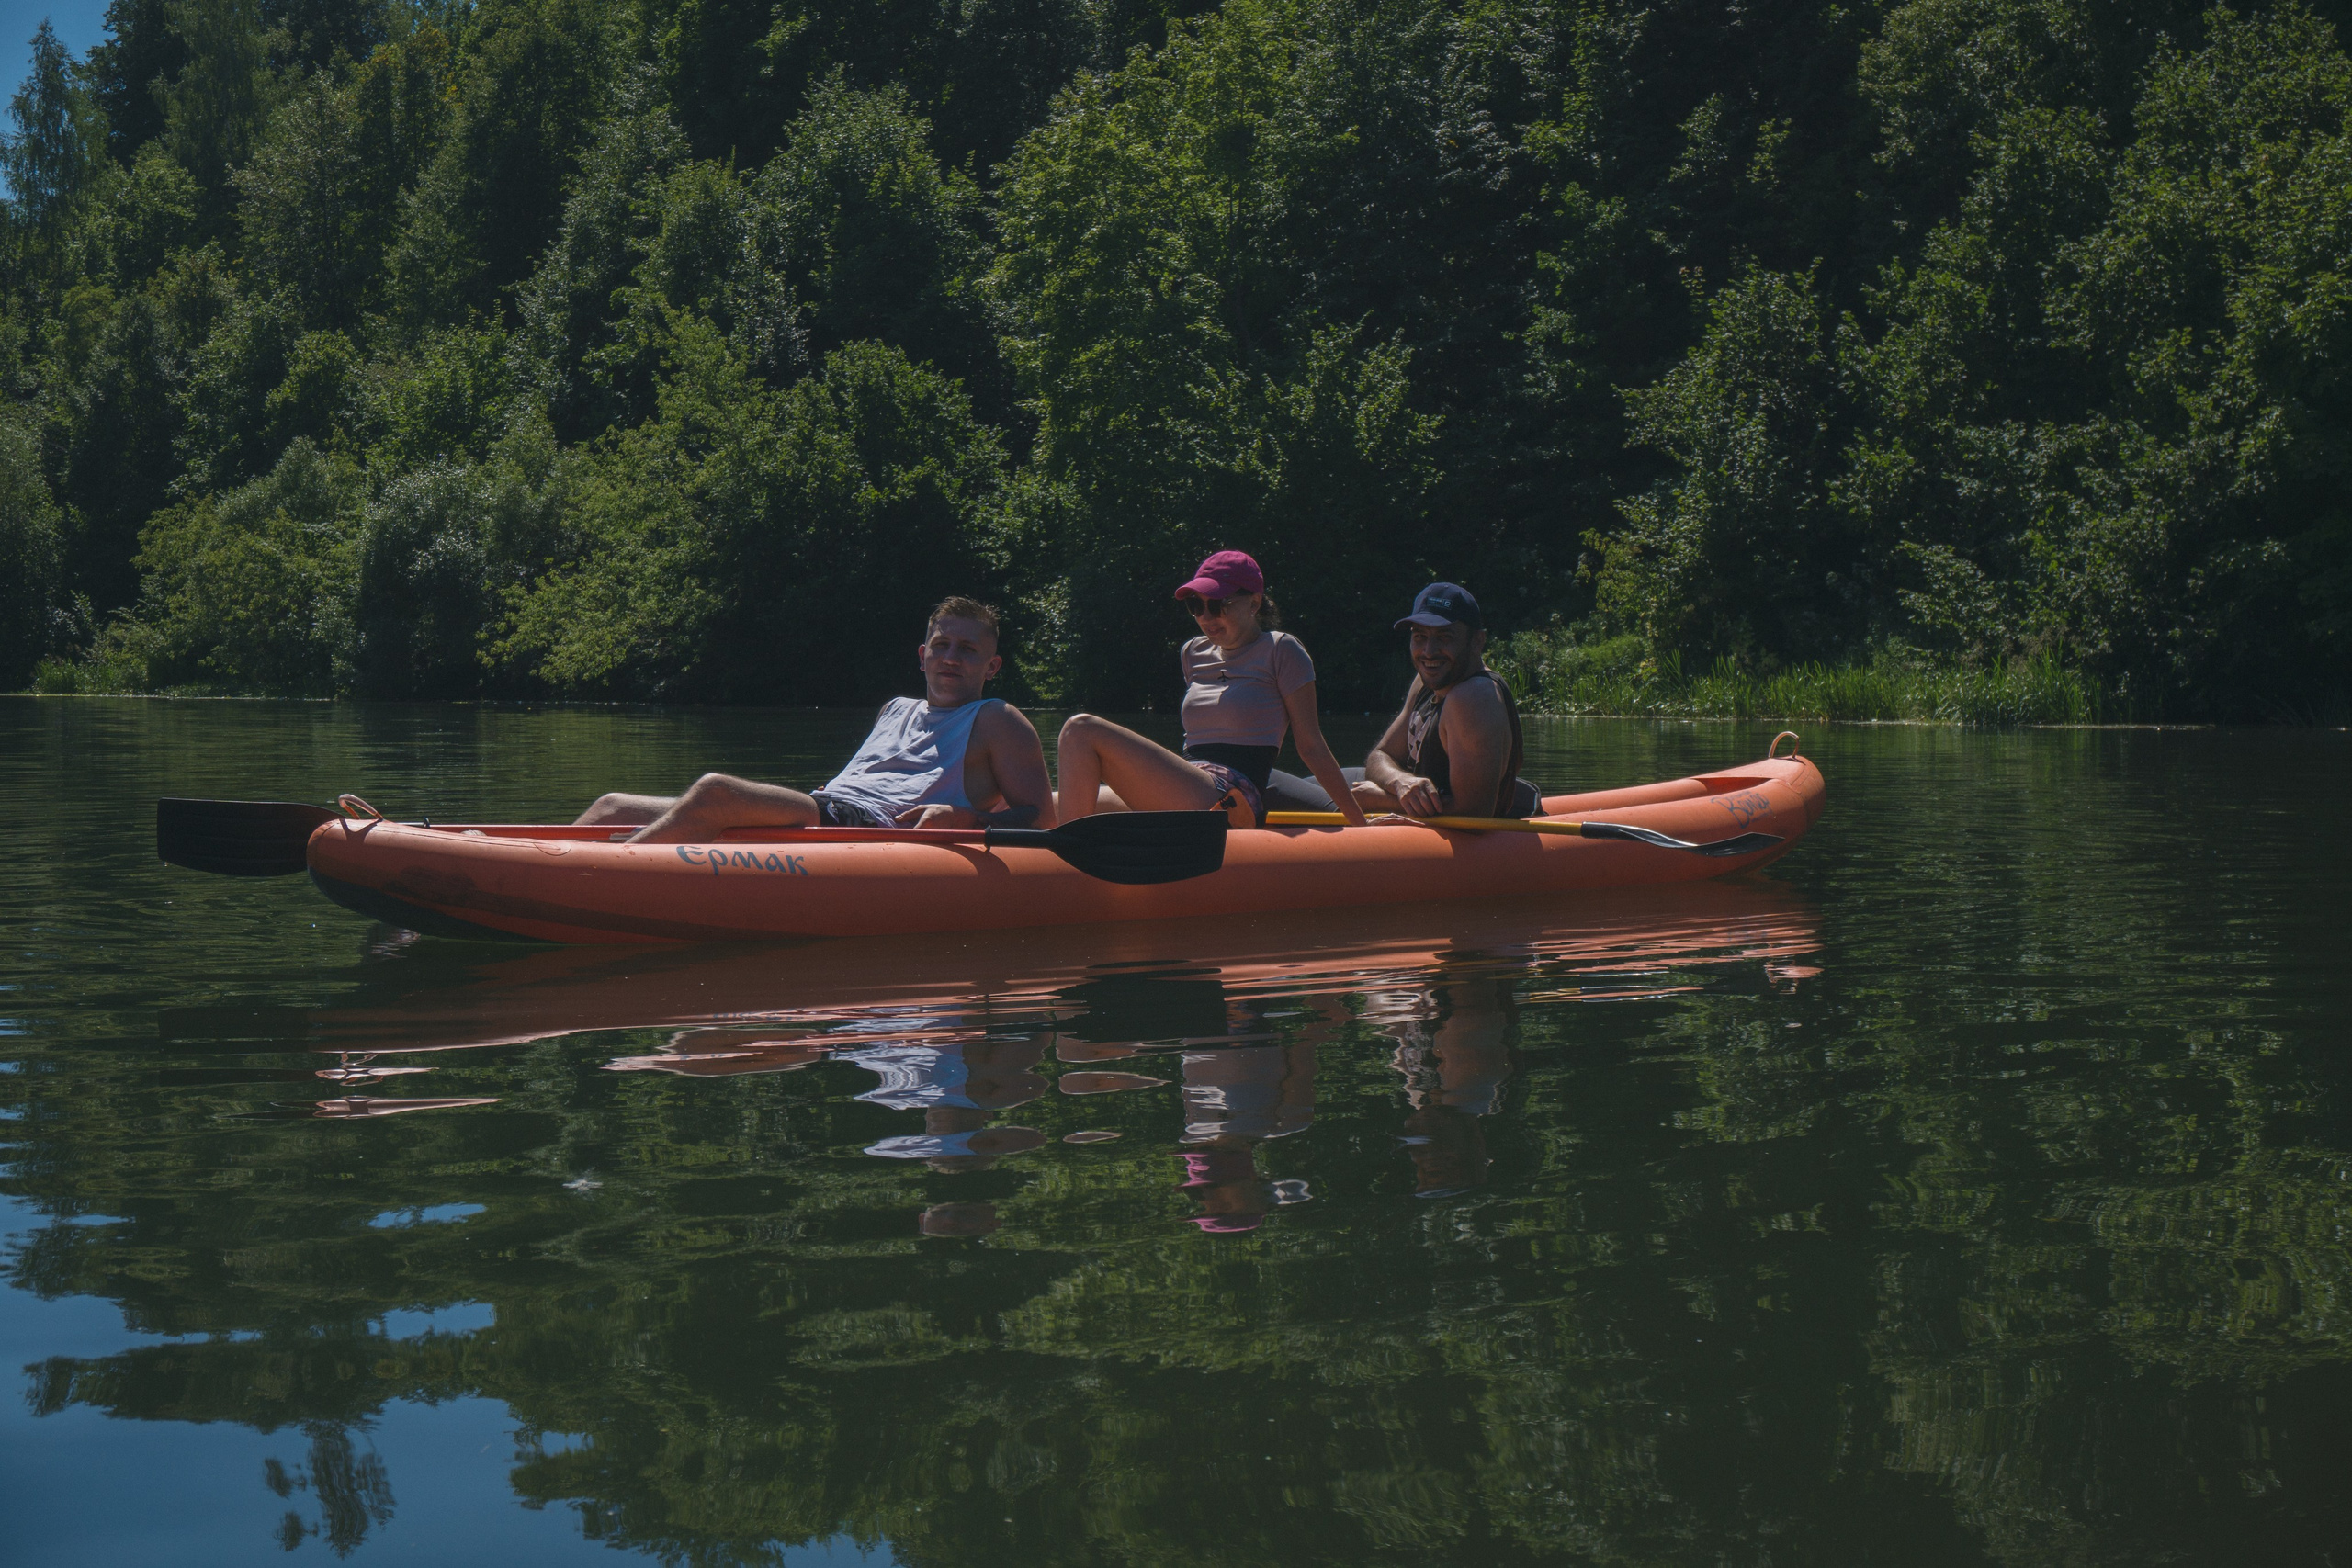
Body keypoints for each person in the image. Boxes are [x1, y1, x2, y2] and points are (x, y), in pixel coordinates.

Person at [573, 597, 1057, 842]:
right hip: (828, 810)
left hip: (874, 830)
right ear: (922, 655)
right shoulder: (896, 708)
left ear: (991, 667)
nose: (951, 658)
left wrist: (968, 818)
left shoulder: (996, 719)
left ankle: (597, 875)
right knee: (614, 805)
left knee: (716, 791)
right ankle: (541, 864)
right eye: (941, 646)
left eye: (968, 649)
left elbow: (1042, 819)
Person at [1054, 551, 1368, 829]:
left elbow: (1311, 746)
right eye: (1196, 606)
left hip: (1235, 797)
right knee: (1055, 803)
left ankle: (1068, 862)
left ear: (1254, 603)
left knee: (1080, 729)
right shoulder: (1191, 652)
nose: (1205, 618)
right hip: (1192, 781)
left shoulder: (1282, 650)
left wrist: (1360, 824)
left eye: (1218, 605)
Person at [1264, 581, 1538, 818]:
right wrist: (1399, 781)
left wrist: (1382, 802)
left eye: (1445, 637)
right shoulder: (1427, 682)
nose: (1429, 652)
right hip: (1402, 795)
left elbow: (1475, 812)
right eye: (1420, 637)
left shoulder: (1473, 697)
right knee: (1306, 783)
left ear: (1477, 641)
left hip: (1444, 833)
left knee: (1261, 784)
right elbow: (1380, 756)